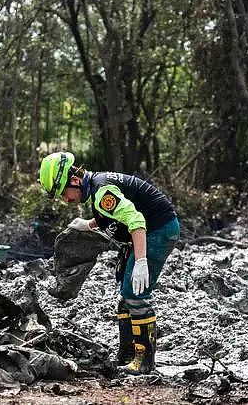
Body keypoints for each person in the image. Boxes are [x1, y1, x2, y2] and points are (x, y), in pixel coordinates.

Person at [39, 152, 179, 375]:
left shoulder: (103, 191)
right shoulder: (97, 187)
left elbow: (135, 220)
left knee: (135, 293)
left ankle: (145, 362)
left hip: (157, 231)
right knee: (125, 295)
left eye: (64, 193)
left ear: (74, 180)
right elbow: (112, 216)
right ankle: (127, 355)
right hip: (144, 232)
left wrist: (141, 261)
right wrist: (88, 225)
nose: (66, 200)